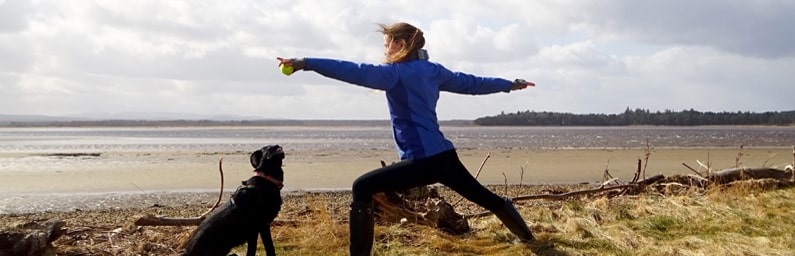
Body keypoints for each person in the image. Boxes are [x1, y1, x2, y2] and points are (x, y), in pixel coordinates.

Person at [277, 22, 536, 255]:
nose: (385, 50)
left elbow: (352, 71)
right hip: (444, 156)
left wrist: (306, 62)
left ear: (400, 44)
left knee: (361, 188)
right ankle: (528, 239)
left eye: (386, 45)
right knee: (485, 198)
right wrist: (509, 84)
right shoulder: (433, 70)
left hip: (423, 161)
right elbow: (472, 83)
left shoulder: (395, 74)